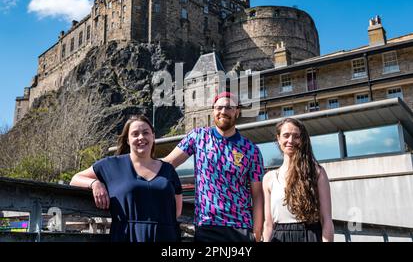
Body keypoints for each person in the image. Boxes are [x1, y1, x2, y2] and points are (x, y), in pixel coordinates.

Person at [163, 91, 264, 242]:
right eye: (219, 107)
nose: (223, 111)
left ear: (237, 111)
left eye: (229, 108)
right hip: (207, 225)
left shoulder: (251, 150)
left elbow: (257, 196)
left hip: (241, 228)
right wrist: (134, 166)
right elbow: (167, 164)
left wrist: (256, 232)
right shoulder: (198, 137)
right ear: (213, 110)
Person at [70, 115, 183, 242]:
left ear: (153, 136)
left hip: (166, 237)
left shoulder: (168, 170)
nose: (141, 137)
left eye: (146, 132)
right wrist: (95, 183)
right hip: (126, 236)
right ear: (128, 140)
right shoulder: (111, 165)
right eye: (135, 134)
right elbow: (75, 179)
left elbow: (177, 211)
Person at [262, 117, 334, 242]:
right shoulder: (269, 178)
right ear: (278, 139)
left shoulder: (317, 172)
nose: (290, 140)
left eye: (296, 136)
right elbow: (268, 224)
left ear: (302, 140)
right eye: (286, 135)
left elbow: (326, 220)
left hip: (310, 235)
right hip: (279, 237)